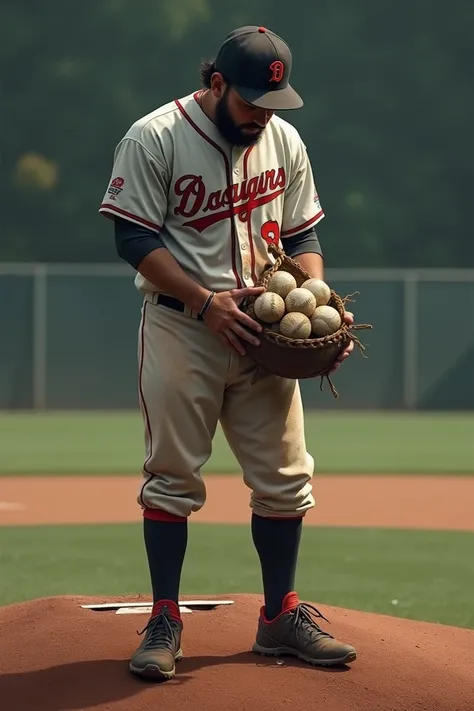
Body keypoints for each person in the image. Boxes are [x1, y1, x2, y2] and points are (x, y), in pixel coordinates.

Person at [99, 24, 357, 682]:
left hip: (264, 338)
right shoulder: (155, 136)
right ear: (215, 83)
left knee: (286, 478)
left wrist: (310, 297)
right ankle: (164, 617)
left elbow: (304, 234)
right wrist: (207, 300)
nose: (261, 114)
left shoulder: (283, 140)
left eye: (271, 103)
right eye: (248, 101)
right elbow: (132, 238)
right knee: (173, 476)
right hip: (185, 326)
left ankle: (280, 614)